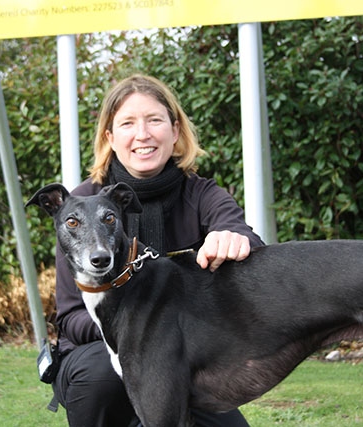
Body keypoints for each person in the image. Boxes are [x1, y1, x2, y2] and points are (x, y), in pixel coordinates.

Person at [51, 74, 264, 426]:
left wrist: (231, 238)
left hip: (182, 353)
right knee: (101, 379)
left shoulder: (201, 193)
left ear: (175, 131)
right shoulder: (79, 209)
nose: (143, 134)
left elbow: (244, 235)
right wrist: (138, 330)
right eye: (128, 123)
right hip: (98, 354)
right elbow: (70, 319)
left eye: (154, 120)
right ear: (110, 137)